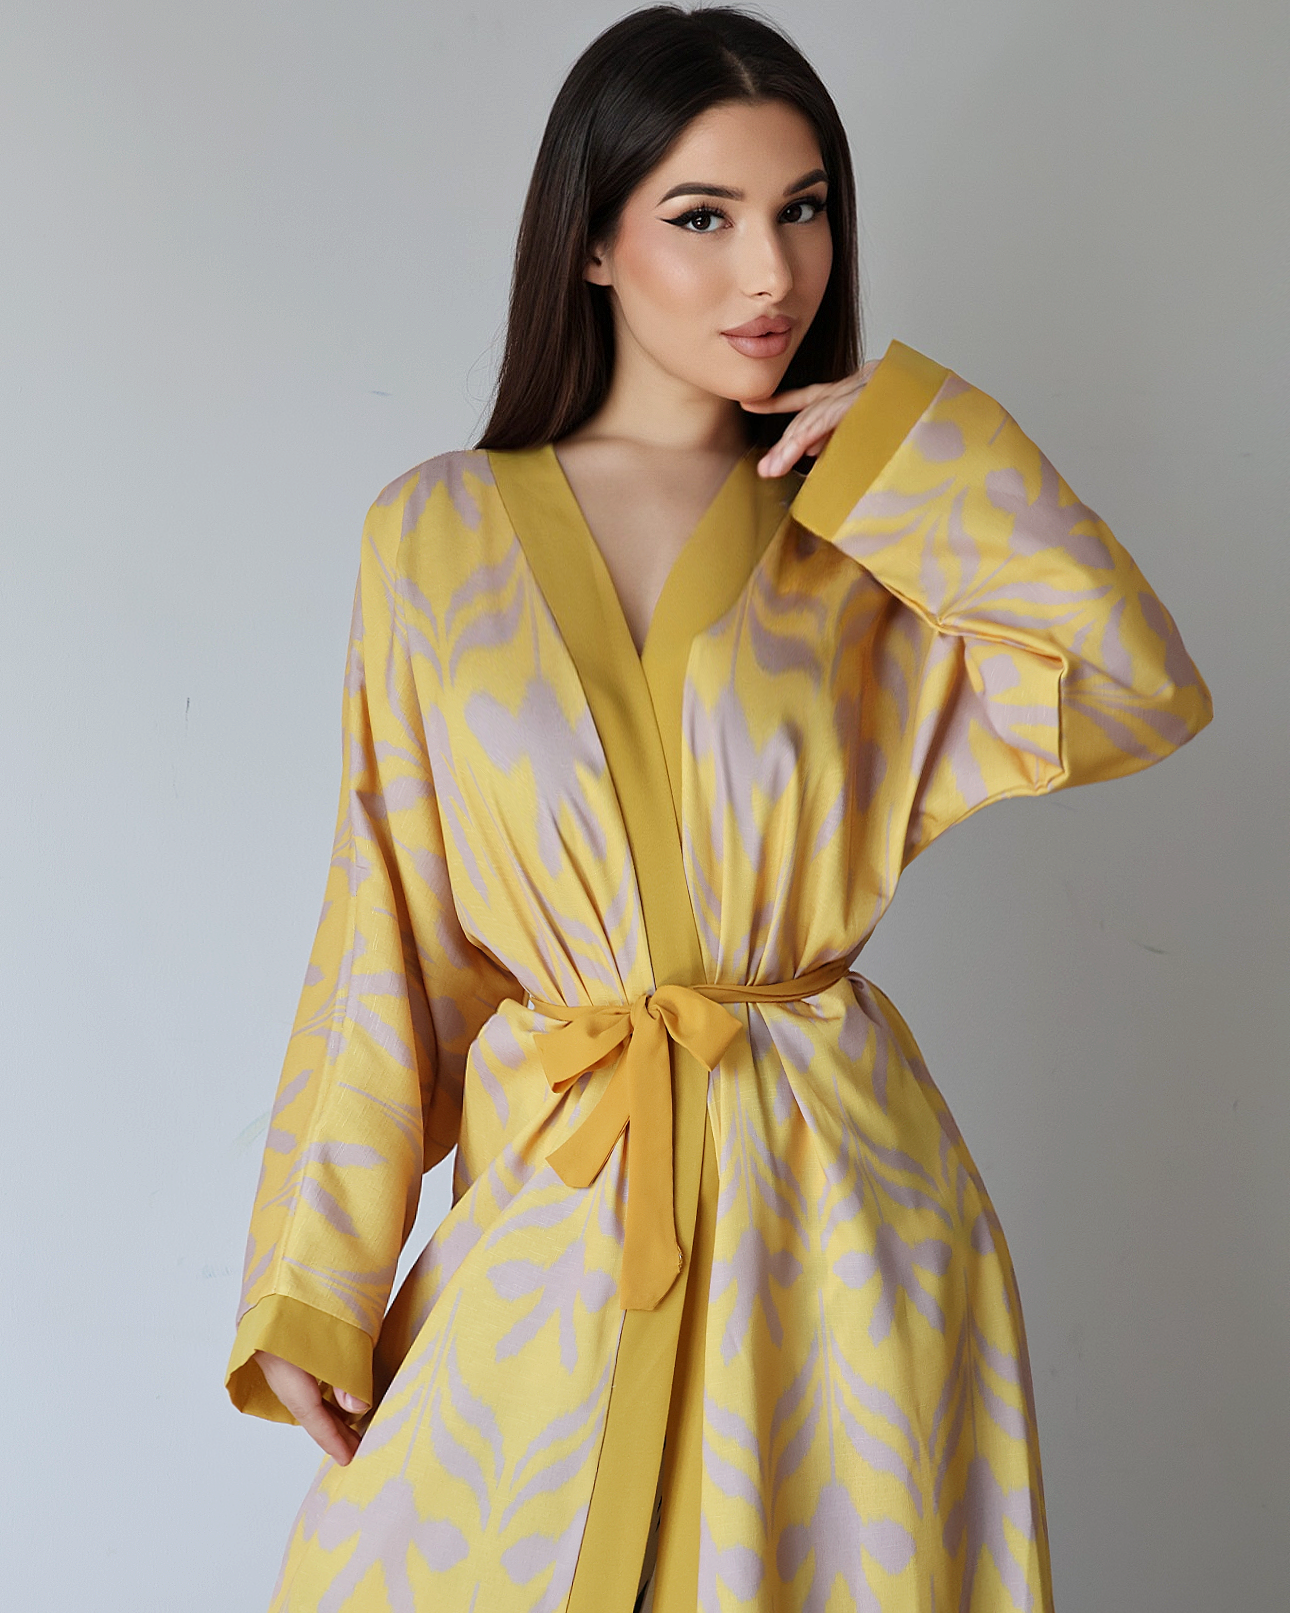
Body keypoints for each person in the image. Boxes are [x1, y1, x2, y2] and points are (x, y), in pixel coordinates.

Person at [225, 8, 1212, 1610]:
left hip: (838, 1218)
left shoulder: (876, 545)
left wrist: (926, 459)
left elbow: (1132, 692)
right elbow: (384, 934)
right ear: (591, 242)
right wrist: (313, 1282)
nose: (772, 272)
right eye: (703, 217)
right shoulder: (434, 535)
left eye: (801, 209)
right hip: (560, 1191)